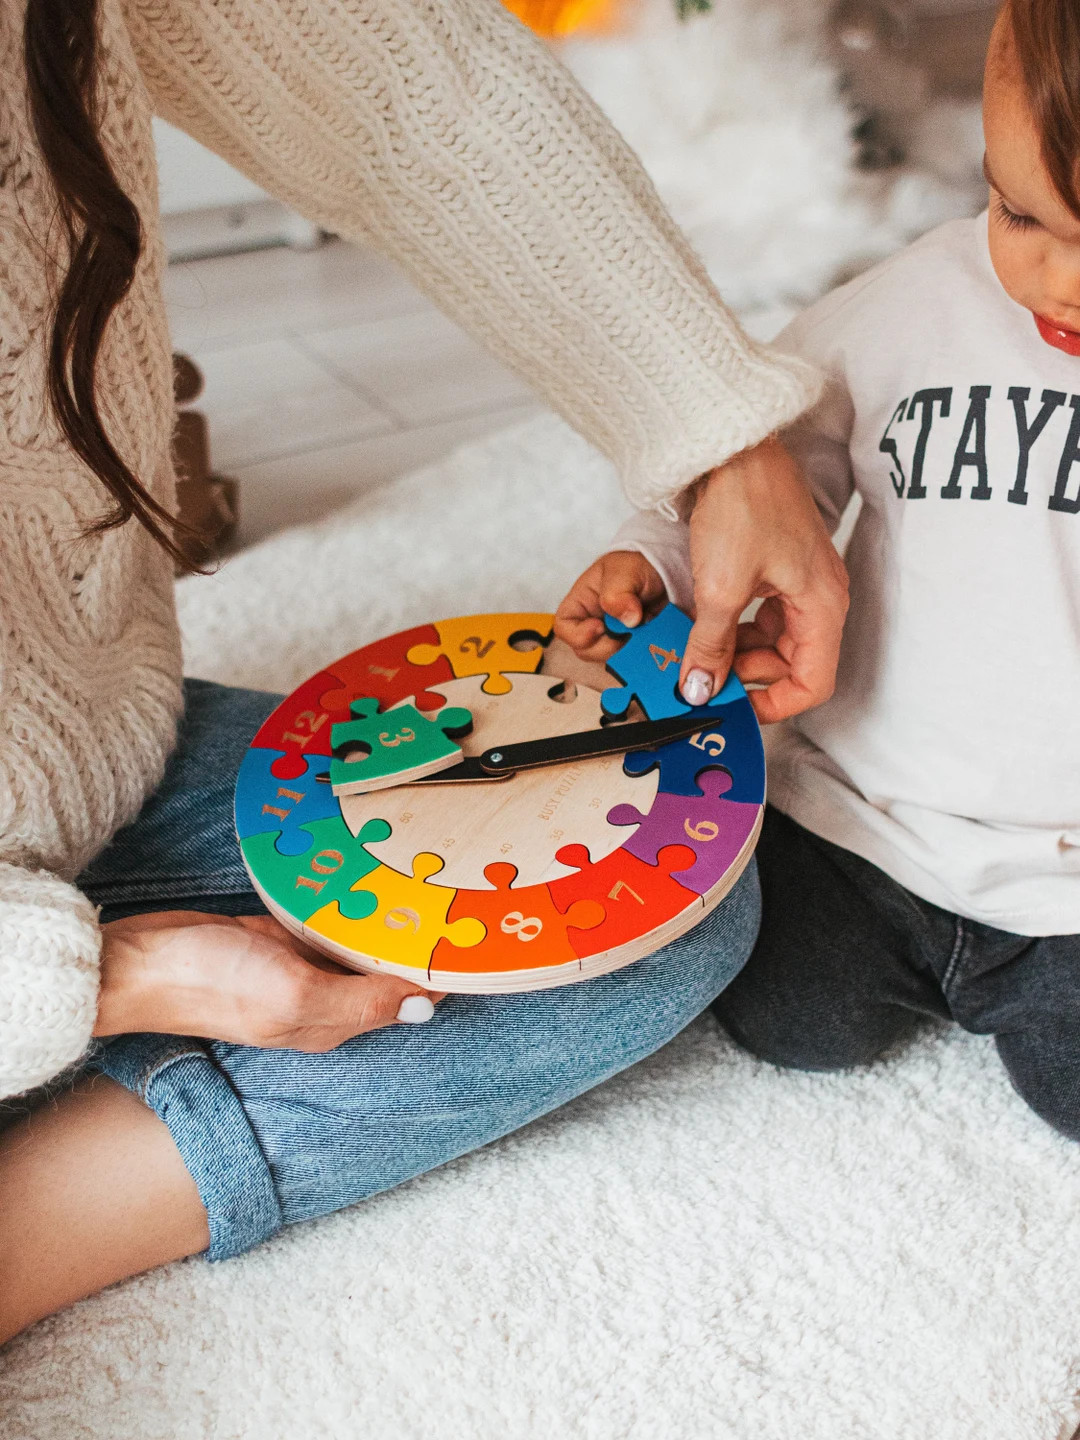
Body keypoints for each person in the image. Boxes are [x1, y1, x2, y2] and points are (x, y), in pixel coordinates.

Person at [0, 0, 848, 1341]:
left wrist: (722, 434)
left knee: (661, 920)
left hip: (86, 763)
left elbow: (410, 90)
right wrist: (115, 981)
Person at [560, 0, 1080, 1137]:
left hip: (1068, 884)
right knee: (785, 1018)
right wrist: (657, 564)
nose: (1058, 278)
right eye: (1020, 211)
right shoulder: (915, 300)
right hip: (861, 823)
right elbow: (754, 467)